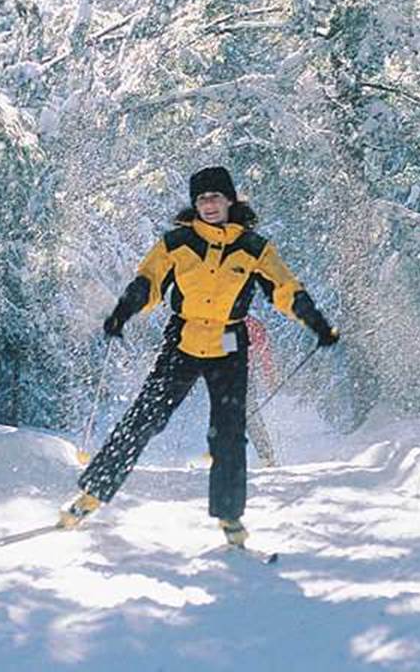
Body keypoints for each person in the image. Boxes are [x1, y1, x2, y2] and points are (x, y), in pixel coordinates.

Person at [58, 166, 339, 547]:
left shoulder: (254, 249)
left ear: (230, 200)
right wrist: (122, 313)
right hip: (183, 342)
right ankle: (89, 496)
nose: (208, 204)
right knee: (145, 418)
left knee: (228, 434)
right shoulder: (177, 243)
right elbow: (149, 282)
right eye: (202, 198)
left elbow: (286, 289)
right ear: (195, 204)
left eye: (215, 197)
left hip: (230, 346)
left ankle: (230, 518)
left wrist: (317, 324)